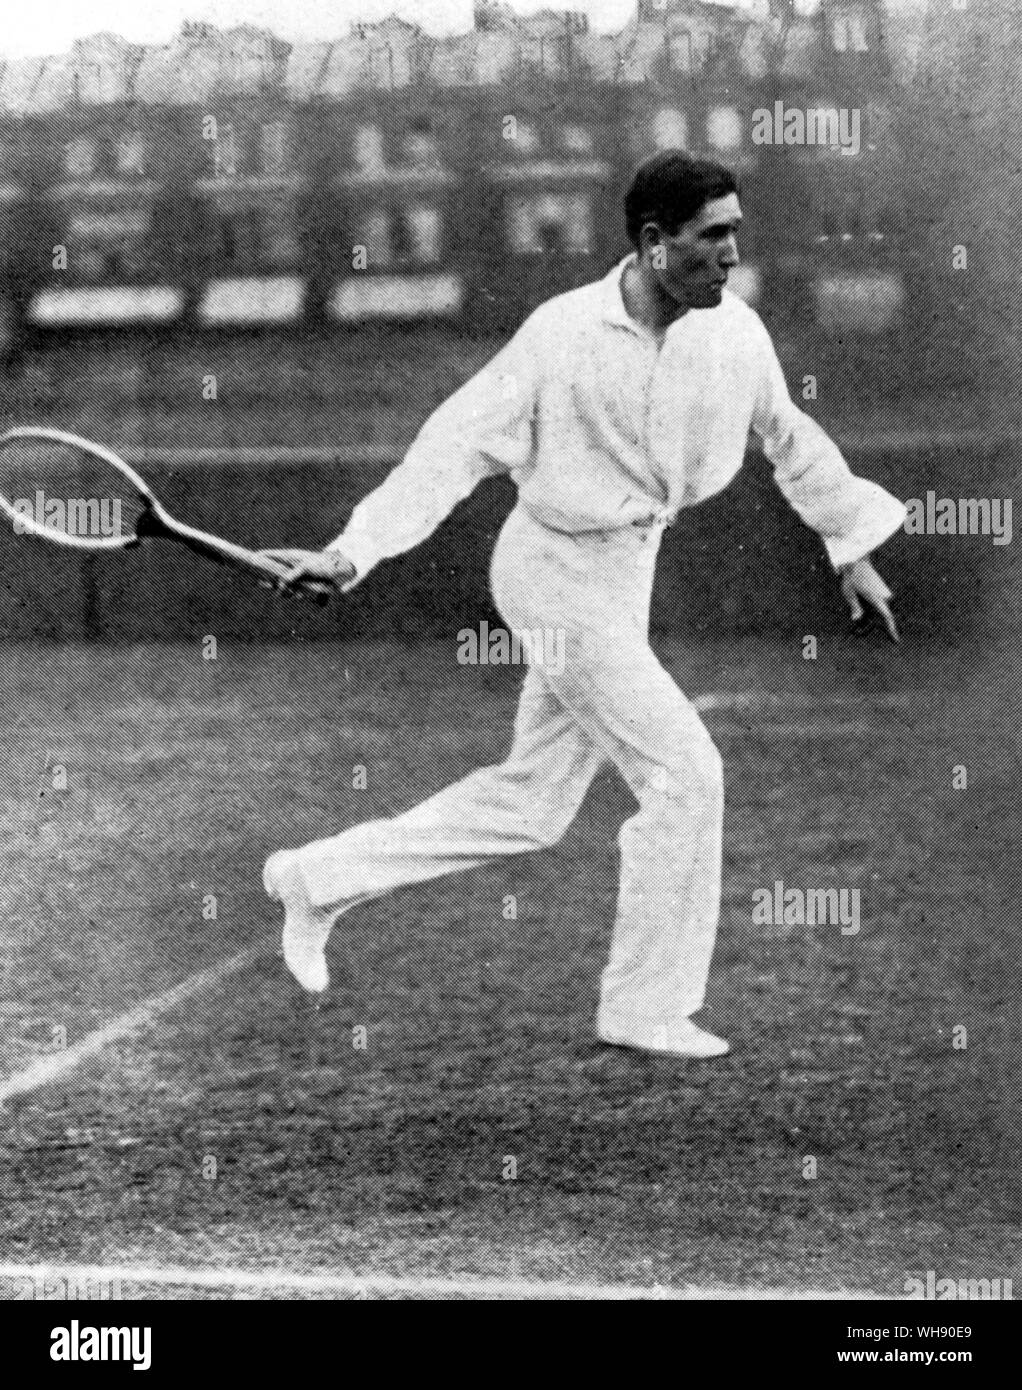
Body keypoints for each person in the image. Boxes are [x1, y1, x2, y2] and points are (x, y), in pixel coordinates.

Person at [260, 150, 905, 1060]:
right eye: (712, 236)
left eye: (737, 236)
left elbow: (790, 437)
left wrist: (852, 548)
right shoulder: (559, 334)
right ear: (652, 243)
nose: (730, 255)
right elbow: (453, 447)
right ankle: (644, 1006)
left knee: (533, 804)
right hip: (550, 573)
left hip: (625, 573)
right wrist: (351, 551)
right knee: (688, 775)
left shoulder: (735, 335)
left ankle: (314, 878)